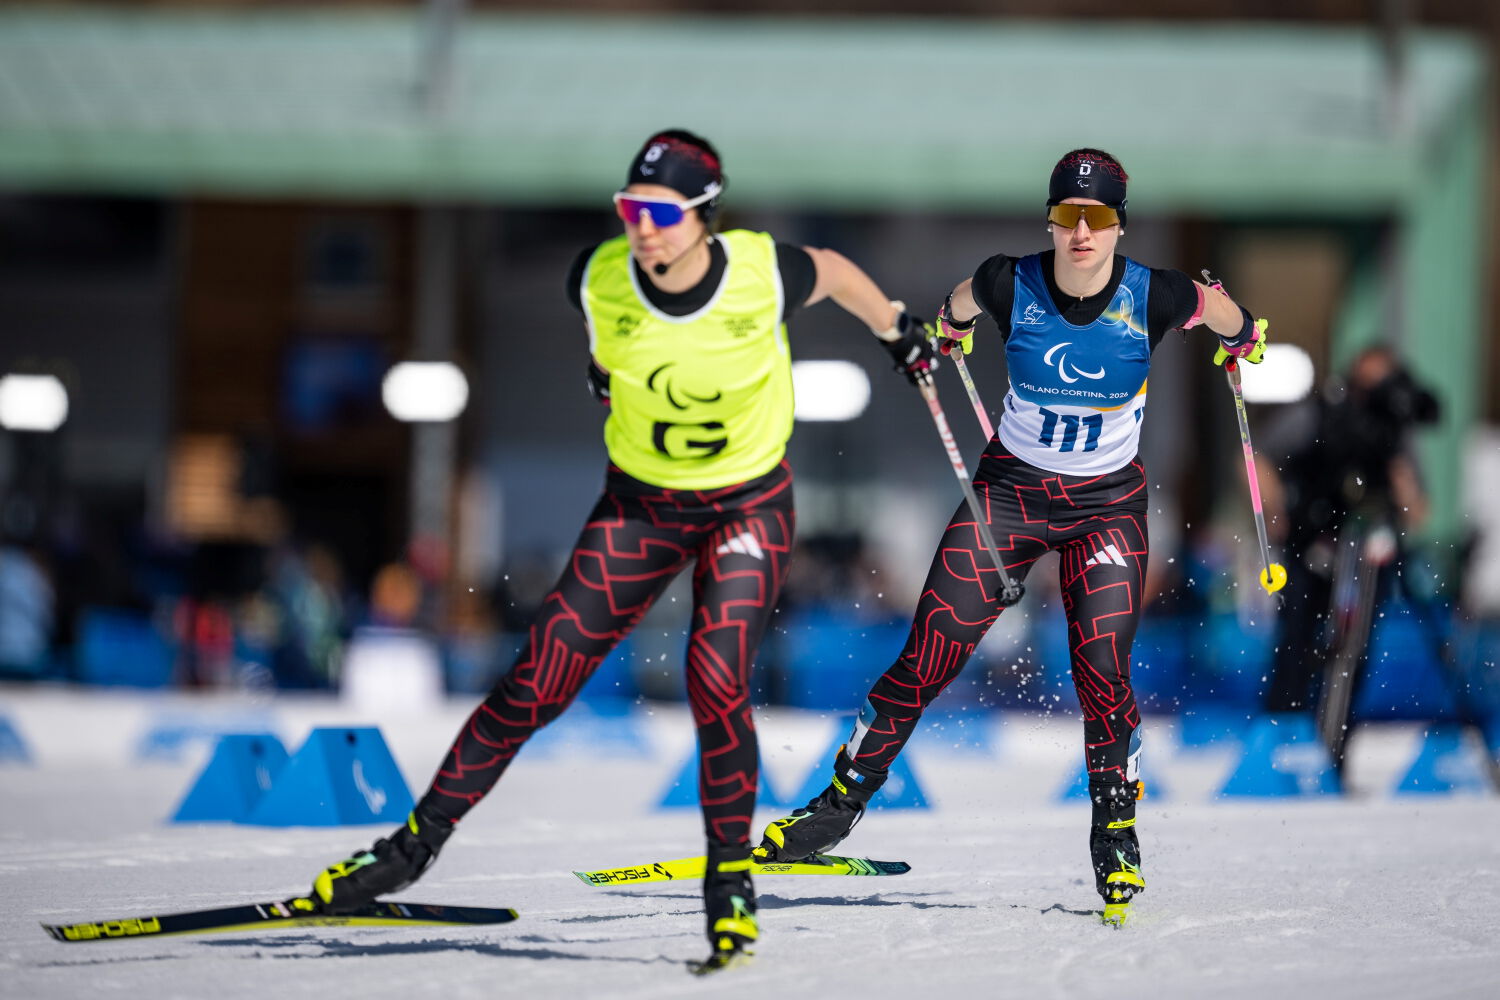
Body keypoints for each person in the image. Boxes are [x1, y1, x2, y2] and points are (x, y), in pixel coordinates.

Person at [308, 129, 936, 970]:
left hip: (747, 505)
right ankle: (406, 850)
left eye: (662, 214)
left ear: (705, 216)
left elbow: (833, 269)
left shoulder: (760, 271)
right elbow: (604, 337)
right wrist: (606, 372)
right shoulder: (597, 277)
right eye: (630, 209)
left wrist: (896, 330)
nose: (642, 229)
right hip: (642, 507)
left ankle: (729, 890)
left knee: (714, 681)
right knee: (535, 683)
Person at [755, 148, 1268, 927]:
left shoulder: (1156, 294)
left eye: (1097, 217)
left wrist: (1245, 335)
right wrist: (947, 331)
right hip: (1011, 496)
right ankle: (839, 805)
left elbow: (1221, 311)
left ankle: (1115, 828)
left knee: (1101, 668)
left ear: (1118, 225)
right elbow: (958, 306)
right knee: (928, 655)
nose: (1081, 232)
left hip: (1106, 505)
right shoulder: (1009, 280)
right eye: (1067, 216)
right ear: (1051, 221)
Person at [1257, 345, 1439, 778]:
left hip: (1366, 553)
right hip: (1312, 543)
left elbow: (1417, 509)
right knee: (1297, 642)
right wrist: (1275, 509)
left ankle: (1330, 751)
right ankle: (1280, 741)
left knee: (1351, 653)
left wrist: (1400, 487)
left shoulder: (1391, 433)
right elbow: (1258, 456)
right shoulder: (1320, 414)